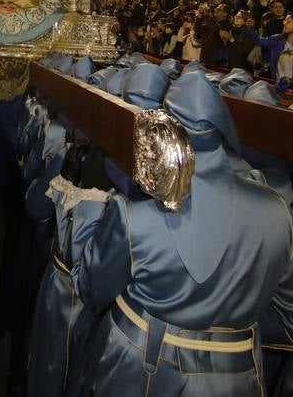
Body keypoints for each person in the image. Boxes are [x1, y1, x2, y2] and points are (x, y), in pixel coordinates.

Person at [71, 71, 293, 396]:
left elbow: (90, 289)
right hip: (236, 379)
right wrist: (231, 331)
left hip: (143, 369)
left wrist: (87, 211)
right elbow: (288, 318)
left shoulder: (135, 217)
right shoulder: (276, 212)